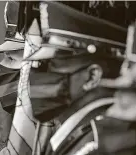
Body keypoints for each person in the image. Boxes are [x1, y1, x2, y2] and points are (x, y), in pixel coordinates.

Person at [25, 2, 136, 155]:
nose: (37, 74)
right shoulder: (78, 133)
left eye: (50, 64)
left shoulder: (104, 145)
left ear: (92, 77)